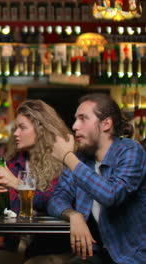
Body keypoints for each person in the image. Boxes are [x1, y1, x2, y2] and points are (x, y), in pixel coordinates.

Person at [47, 93, 146, 264]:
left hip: (133, 255)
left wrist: (68, 157)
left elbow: (111, 195)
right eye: (75, 119)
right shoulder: (83, 158)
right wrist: (73, 215)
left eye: (83, 118)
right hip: (99, 254)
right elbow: (57, 198)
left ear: (106, 124)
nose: (75, 126)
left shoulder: (131, 151)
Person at [0, 100, 72, 264]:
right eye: (15, 128)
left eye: (22, 128)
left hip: (53, 246)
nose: (15, 133)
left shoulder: (62, 162)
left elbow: (53, 202)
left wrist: (17, 184)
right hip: (17, 244)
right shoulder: (13, 163)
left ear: (41, 130)